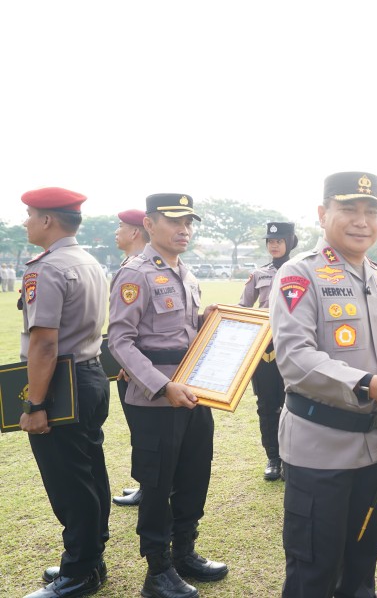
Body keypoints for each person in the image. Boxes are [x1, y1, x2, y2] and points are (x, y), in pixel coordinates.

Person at [270, 172, 377, 597]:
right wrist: (369, 384)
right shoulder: (299, 274)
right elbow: (295, 358)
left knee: (362, 570)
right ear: (324, 214)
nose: (361, 221)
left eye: (369, 211)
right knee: (314, 573)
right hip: (320, 449)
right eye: (348, 209)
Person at [109, 194, 228, 598]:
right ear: (149, 223)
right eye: (175, 221)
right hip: (156, 398)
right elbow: (121, 341)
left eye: (189, 222)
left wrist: (203, 318)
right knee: (158, 485)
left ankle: (185, 553)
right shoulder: (136, 273)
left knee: (195, 473)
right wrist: (162, 386)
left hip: (194, 391)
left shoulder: (186, 273)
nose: (184, 229)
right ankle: (157, 571)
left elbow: (177, 331)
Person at [18, 187, 111, 598]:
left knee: (69, 481)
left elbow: (44, 344)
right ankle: (90, 556)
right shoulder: (88, 260)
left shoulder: (48, 268)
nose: (25, 221)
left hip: (61, 384)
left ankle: (79, 572)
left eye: (29, 214)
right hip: (90, 376)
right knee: (90, 471)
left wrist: (35, 404)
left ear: (47, 221)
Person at [237, 221, 298, 481]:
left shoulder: (301, 270)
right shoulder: (258, 274)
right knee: (267, 405)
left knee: (295, 404)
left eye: (279, 241)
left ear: (290, 242)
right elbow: (242, 307)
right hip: (265, 350)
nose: (274, 245)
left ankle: (293, 458)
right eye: (270, 241)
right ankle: (273, 457)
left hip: (295, 347)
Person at [111, 208, 150, 508]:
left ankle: (148, 486)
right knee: (137, 430)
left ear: (136, 231)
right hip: (127, 365)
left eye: (121, 226)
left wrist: (129, 364)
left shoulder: (139, 268)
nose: (117, 231)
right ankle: (144, 484)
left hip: (139, 367)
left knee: (144, 431)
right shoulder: (130, 265)